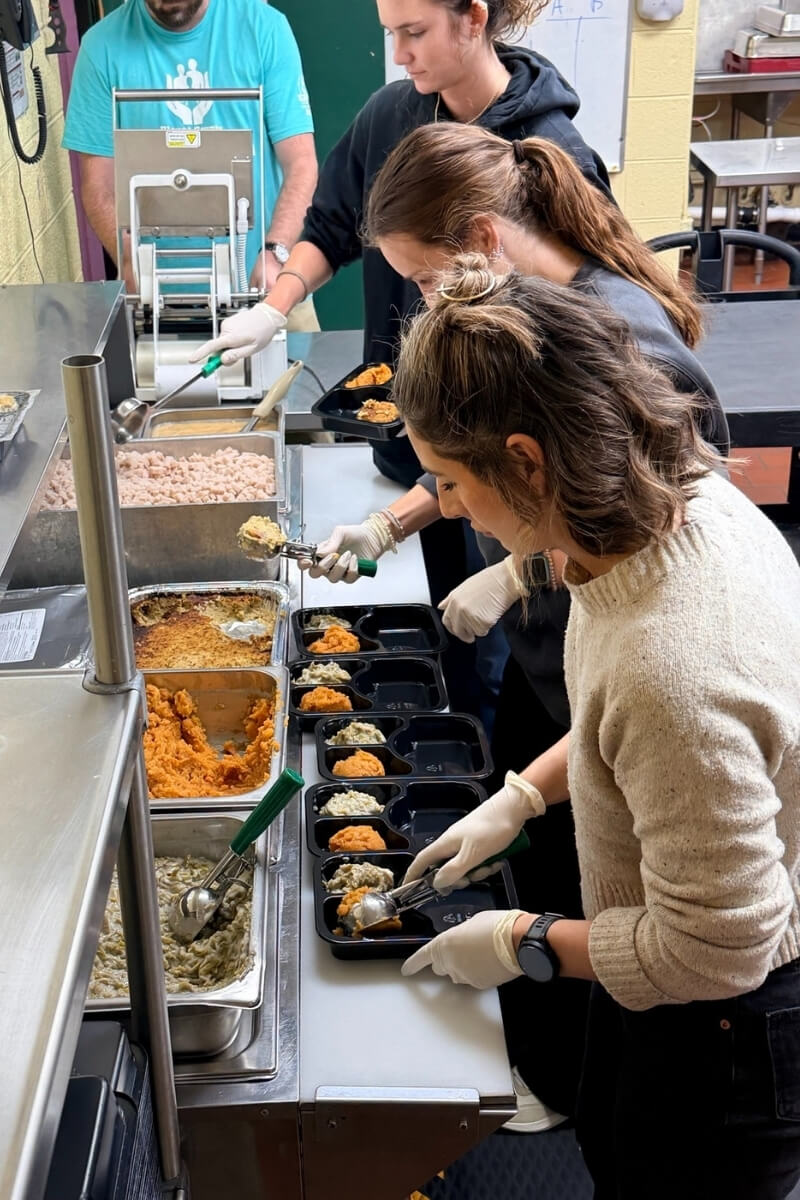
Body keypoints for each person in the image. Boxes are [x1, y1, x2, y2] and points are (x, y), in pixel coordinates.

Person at [293, 121, 732, 1127]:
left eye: (421, 278)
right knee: (571, 862)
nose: (415, 302)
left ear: (482, 238)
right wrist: (401, 517)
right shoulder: (525, 316)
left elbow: (665, 548)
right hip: (584, 688)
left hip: (716, 1017)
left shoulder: (619, 346)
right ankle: (564, 1066)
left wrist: (526, 942)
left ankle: (574, 1075)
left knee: (606, 899)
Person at [392, 256, 800, 1200]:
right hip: (661, 977)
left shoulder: (678, 665)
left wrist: (524, 938)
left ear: (527, 460)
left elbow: (714, 951)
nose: (449, 509)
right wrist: (525, 793)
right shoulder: (668, 501)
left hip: (728, 1029)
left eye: (452, 483)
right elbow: (625, 716)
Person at [192, 0, 612, 718]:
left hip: (519, 494)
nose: (398, 53)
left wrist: (517, 569)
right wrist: (273, 305)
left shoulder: (548, 163)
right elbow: (329, 222)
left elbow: (564, 421)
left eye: (413, 33)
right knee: (440, 655)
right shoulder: (395, 117)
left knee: (509, 669)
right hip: (425, 469)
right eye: (390, 33)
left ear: (473, 19)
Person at [62, 0, 319, 329]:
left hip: (268, 294)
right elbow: (98, 187)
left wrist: (275, 251)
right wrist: (129, 257)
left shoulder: (264, 28)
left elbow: (301, 164)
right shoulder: (101, 46)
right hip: (157, 304)